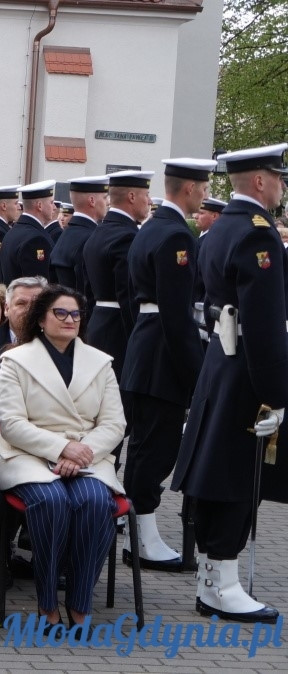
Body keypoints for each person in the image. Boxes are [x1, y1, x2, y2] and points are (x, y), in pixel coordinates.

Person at [172, 143, 288, 623]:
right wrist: (276, 396)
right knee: (236, 477)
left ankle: (212, 582)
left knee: (215, 471)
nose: (282, 187)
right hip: (246, 371)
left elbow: (205, 303)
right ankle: (224, 584)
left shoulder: (221, 230)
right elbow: (264, 326)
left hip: (221, 363)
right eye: (279, 178)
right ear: (260, 181)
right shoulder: (259, 237)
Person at [0, 285, 127, 629]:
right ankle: (47, 602)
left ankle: (80, 602)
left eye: (75, 314)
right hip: (27, 455)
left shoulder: (100, 362)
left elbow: (114, 423)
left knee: (96, 502)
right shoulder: (15, 361)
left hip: (86, 456)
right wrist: (60, 448)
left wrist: (80, 453)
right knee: (51, 501)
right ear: (40, 320)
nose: (69, 320)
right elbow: (11, 423)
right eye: (60, 313)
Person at [120, 158, 214, 572]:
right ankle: (144, 538)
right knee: (156, 450)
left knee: (143, 447)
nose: (206, 193)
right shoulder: (177, 235)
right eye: (204, 186)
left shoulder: (149, 230)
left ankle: (142, 531)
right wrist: (197, 376)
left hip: (144, 349)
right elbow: (177, 316)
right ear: (190, 189)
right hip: (162, 357)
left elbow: (130, 296)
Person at [81, 170, 152, 378]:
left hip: (98, 325)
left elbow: (88, 290)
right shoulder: (127, 236)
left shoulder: (98, 233)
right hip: (119, 329)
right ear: (132, 197)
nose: (149, 201)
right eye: (146, 195)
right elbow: (128, 294)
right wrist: (135, 337)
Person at [49, 176, 110, 303]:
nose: (108, 202)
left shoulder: (66, 235)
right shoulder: (91, 237)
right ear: (92, 200)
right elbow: (88, 291)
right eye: (104, 197)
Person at [0, 181, 56, 284]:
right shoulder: (36, 239)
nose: (54, 207)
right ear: (39, 205)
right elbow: (38, 287)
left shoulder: (13, 232)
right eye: (51, 202)